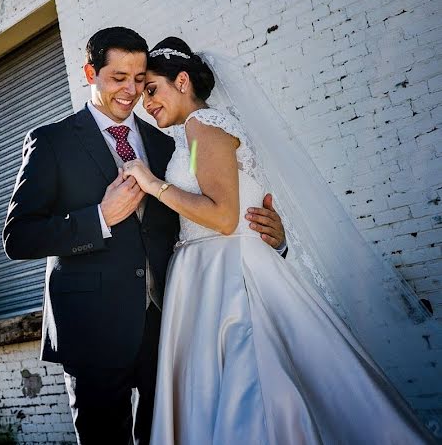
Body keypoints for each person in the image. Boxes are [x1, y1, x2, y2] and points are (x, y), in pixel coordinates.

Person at [122, 37, 434, 444]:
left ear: (182, 81)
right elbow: (212, 194)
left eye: (152, 90)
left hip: (228, 275)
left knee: (249, 390)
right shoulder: (191, 136)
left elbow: (222, 215)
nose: (146, 103)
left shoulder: (205, 125)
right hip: (207, 271)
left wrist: (152, 183)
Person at [2, 28, 285, 444]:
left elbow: (210, 207)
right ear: (90, 73)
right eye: (119, 78)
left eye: (139, 79)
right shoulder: (52, 142)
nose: (132, 91)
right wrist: (99, 217)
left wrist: (269, 236)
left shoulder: (167, 141)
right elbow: (18, 237)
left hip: (170, 327)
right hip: (92, 333)